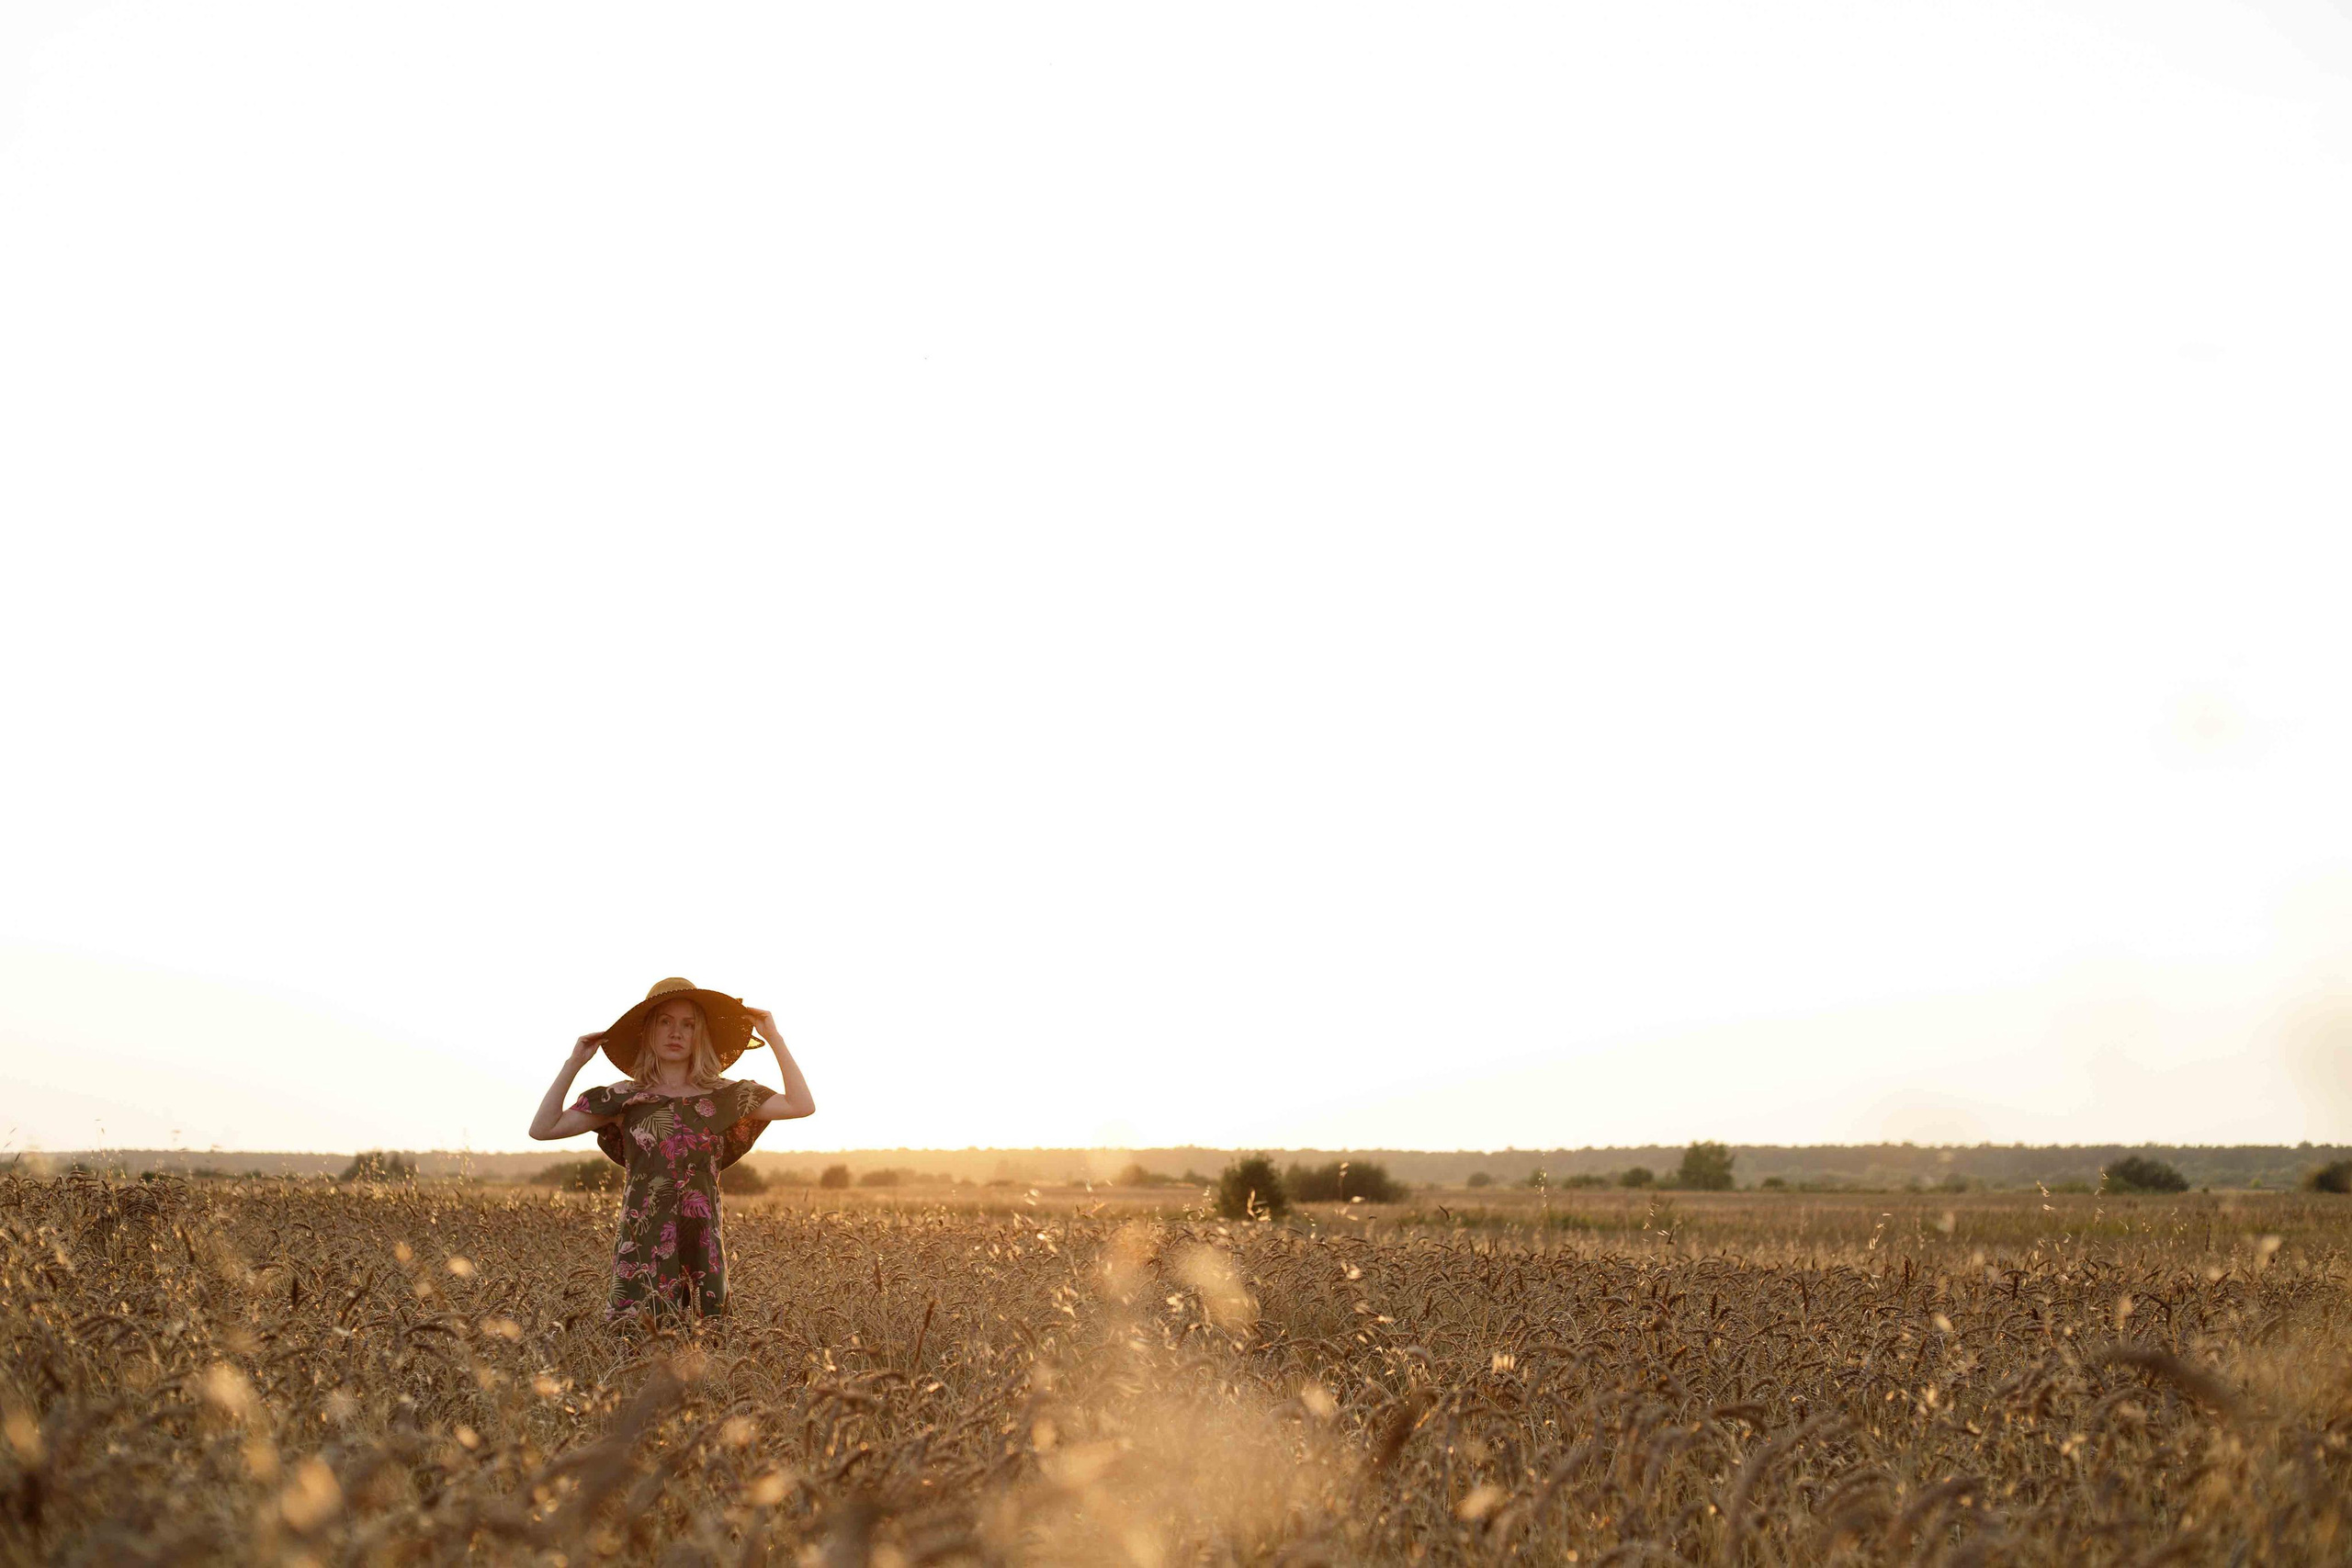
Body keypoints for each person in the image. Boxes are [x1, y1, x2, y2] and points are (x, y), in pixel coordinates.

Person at [529, 976, 815, 1322]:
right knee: (633, 1350)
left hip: (701, 1246)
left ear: (700, 1035)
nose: (675, 1032)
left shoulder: (724, 1097)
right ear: (649, 1031)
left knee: (703, 1353)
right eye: (665, 1022)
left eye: (687, 1024)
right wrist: (574, 1063)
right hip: (641, 1247)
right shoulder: (625, 1098)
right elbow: (543, 1129)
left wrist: (775, 1039)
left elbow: (801, 1104)